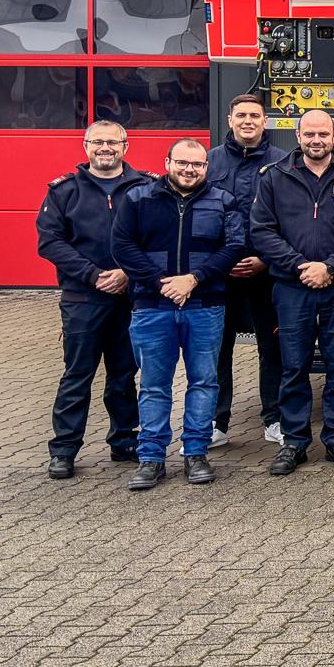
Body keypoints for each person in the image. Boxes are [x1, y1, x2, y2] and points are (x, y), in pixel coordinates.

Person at [250, 109, 334, 475]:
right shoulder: (275, 177)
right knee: (293, 366)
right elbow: (262, 231)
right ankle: (294, 442)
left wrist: (331, 266)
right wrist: (301, 267)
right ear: (298, 135)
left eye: (323, 133)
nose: (316, 140)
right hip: (293, 288)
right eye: (310, 134)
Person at [109, 139, 244, 490]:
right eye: (183, 163)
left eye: (198, 165)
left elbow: (233, 246)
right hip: (153, 307)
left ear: (206, 167)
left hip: (205, 307)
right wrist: (161, 283)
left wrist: (194, 279)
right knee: (154, 386)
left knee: (204, 382)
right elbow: (122, 246)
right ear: (167, 162)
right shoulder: (138, 199)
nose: (190, 170)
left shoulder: (223, 201)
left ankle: (196, 453)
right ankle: (151, 459)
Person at [36, 120, 151, 478]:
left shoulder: (145, 187)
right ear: (85, 146)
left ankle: (124, 441)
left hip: (131, 296)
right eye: (97, 142)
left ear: (125, 146)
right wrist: (93, 275)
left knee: (124, 373)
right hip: (83, 298)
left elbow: (155, 237)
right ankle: (65, 449)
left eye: (112, 142)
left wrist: (126, 273)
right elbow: (50, 242)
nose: (105, 148)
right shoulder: (64, 191)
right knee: (77, 374)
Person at [207, 93, 288, 444]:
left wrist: (265, 260)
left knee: (272, 348)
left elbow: (291, 219)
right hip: (219, 275)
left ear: (265, 121)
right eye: (241, 115)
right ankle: (215, 422)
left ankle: (274, 418)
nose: (248, 122)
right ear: (230, 120)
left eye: (255, 116)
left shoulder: (283, 162)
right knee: (215, 348)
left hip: (266, 272)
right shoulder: (209, 162)